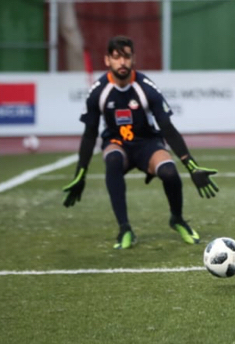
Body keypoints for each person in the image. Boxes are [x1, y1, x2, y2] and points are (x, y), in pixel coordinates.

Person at [62, 36, 219, 249]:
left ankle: (177, 219)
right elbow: (90, 134)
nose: (122, 62)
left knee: (169, 172)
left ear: (133, 58)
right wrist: (80, 173)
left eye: (126, 56)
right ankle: (124, 228)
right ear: (107, 60)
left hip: (147, 143)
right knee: (113, 159)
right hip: (117, 142)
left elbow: (167, 127)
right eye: (116, 57)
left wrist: (190, 165)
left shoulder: (146, 87)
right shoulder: (99, 90)